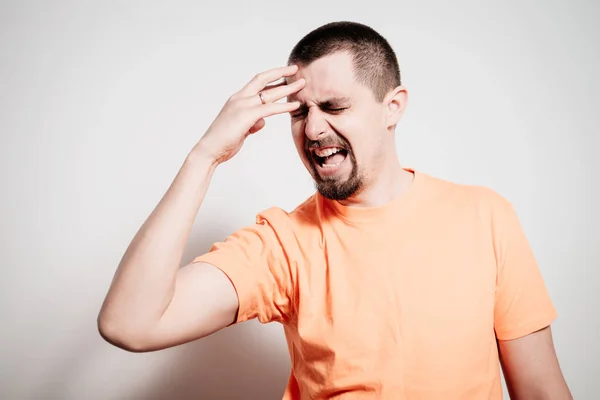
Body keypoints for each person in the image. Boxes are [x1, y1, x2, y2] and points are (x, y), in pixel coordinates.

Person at [98, 21, 572, 399]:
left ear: (393, 107)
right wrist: (205, 156)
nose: (312, 129)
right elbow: (129, 325)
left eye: (334, 106)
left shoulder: (484, 216)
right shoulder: (282, 244)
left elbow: (541, 389)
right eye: (301, 112)